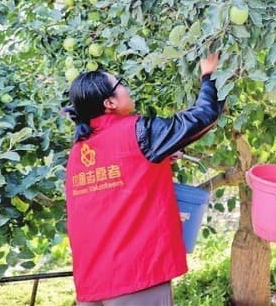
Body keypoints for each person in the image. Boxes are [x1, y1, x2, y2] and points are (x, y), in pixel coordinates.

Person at [62, 52, 224, 306]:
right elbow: (203, 116)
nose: (127, 88)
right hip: (135, 277)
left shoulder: (79, 150)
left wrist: (154, 160)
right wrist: (210, 74)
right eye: (120, 85)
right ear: (110, 103)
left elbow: (114, 187)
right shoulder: (138, 132)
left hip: (92, 281)